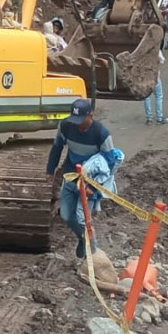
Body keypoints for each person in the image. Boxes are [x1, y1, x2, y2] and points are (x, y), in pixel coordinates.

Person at [46, 98, 119, 258]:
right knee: (66, 215)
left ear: (90, 115)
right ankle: (83, 238)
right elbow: (57, 147)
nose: (77, 125)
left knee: (82, 218)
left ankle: (92, 255)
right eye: (75, 120)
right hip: (70, 176)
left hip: (89, 181)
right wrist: (50, 170)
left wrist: (93, 187)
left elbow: (110, 162)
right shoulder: (66, 126)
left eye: (80, 120)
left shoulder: (101, 133)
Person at [143, 49, 168, 125]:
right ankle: (159, 118)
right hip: (154, 75)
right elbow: (162, 60)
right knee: (158, 96)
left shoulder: (141, 50)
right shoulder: (156, 49)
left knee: (147, 97)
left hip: (145, 76)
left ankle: (149, 118)